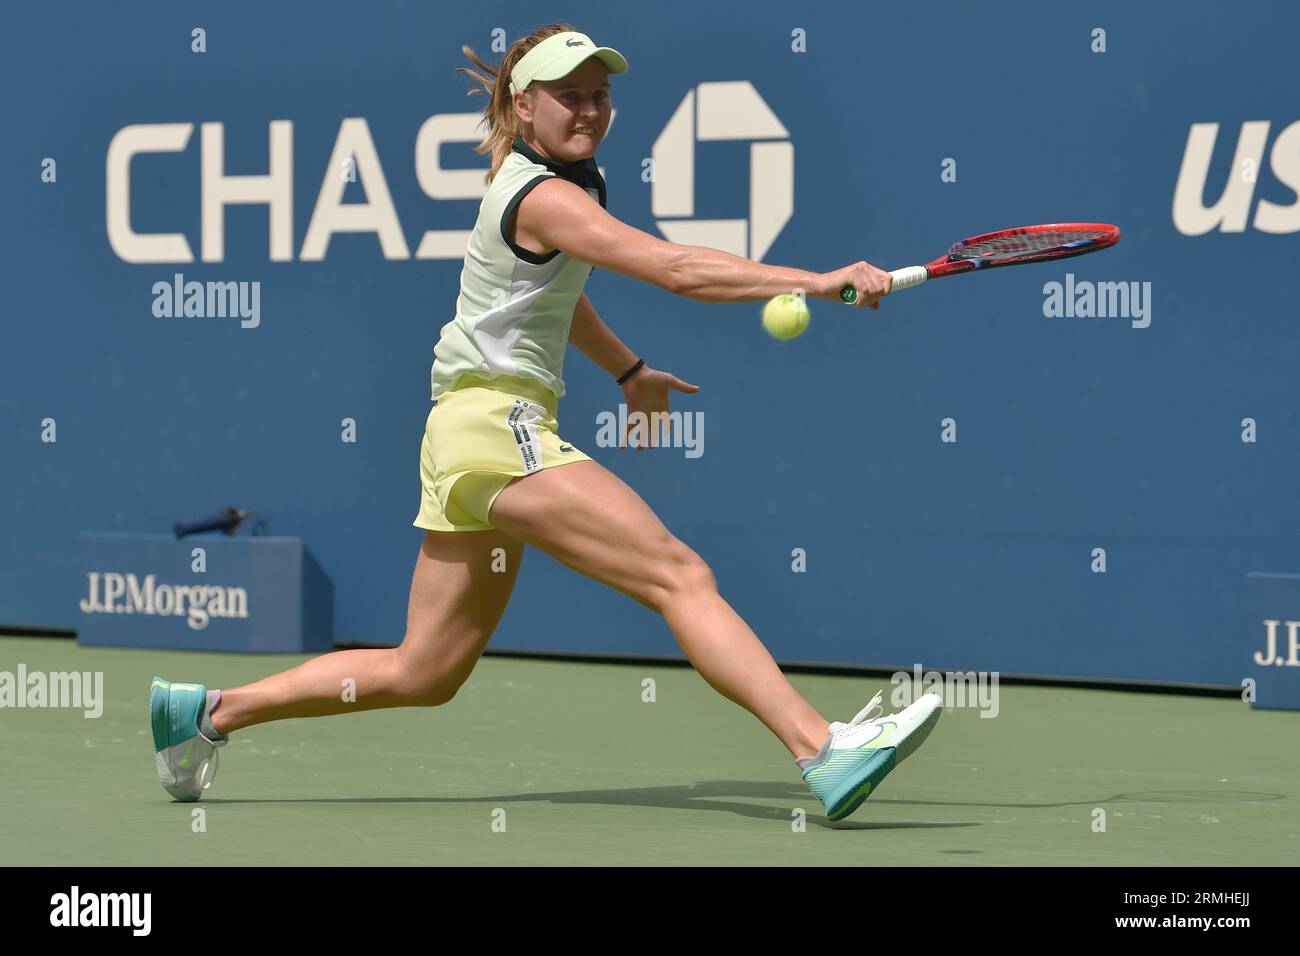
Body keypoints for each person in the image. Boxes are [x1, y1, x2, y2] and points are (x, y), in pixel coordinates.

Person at [149, 23, 942, 823]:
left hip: (460, 442)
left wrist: (628, 371)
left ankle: (208, 713)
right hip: (500, 432)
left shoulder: (541, 182)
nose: (590, 110)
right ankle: (820, 749)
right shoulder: (547, 195)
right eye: (570, 96)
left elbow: (560, 298)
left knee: (425, 670)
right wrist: (815, 280)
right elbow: (673, 267)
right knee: (679, 573)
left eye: (600, 96)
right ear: (523, 106)